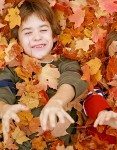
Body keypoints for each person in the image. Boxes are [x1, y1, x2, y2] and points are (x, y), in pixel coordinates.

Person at [0, 0, 87, 145]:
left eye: (43, 30)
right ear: (18, 41)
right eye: (28, 32)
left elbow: (73, 80)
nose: (37, 37)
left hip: (62, 145)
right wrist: (4, 108)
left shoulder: (65, 63)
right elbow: (2, 91)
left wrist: (58, 100)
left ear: (54, 35)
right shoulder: (13, 71)